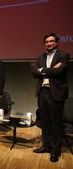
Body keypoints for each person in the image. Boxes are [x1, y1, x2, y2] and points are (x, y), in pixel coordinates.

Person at [32, 33, 70, 162]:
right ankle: (46, 146)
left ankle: (55, 150)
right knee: (45, 122)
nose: (49, 43)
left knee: (55, 123)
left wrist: (42, 70)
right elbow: (34, 73)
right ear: (45, 43)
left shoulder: (63, 55)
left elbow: (60, 71)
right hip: (42, 92)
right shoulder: (40, 56)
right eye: (47, 41)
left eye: (52, 41)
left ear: (57, 42)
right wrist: (49, 69)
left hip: (56, 92)